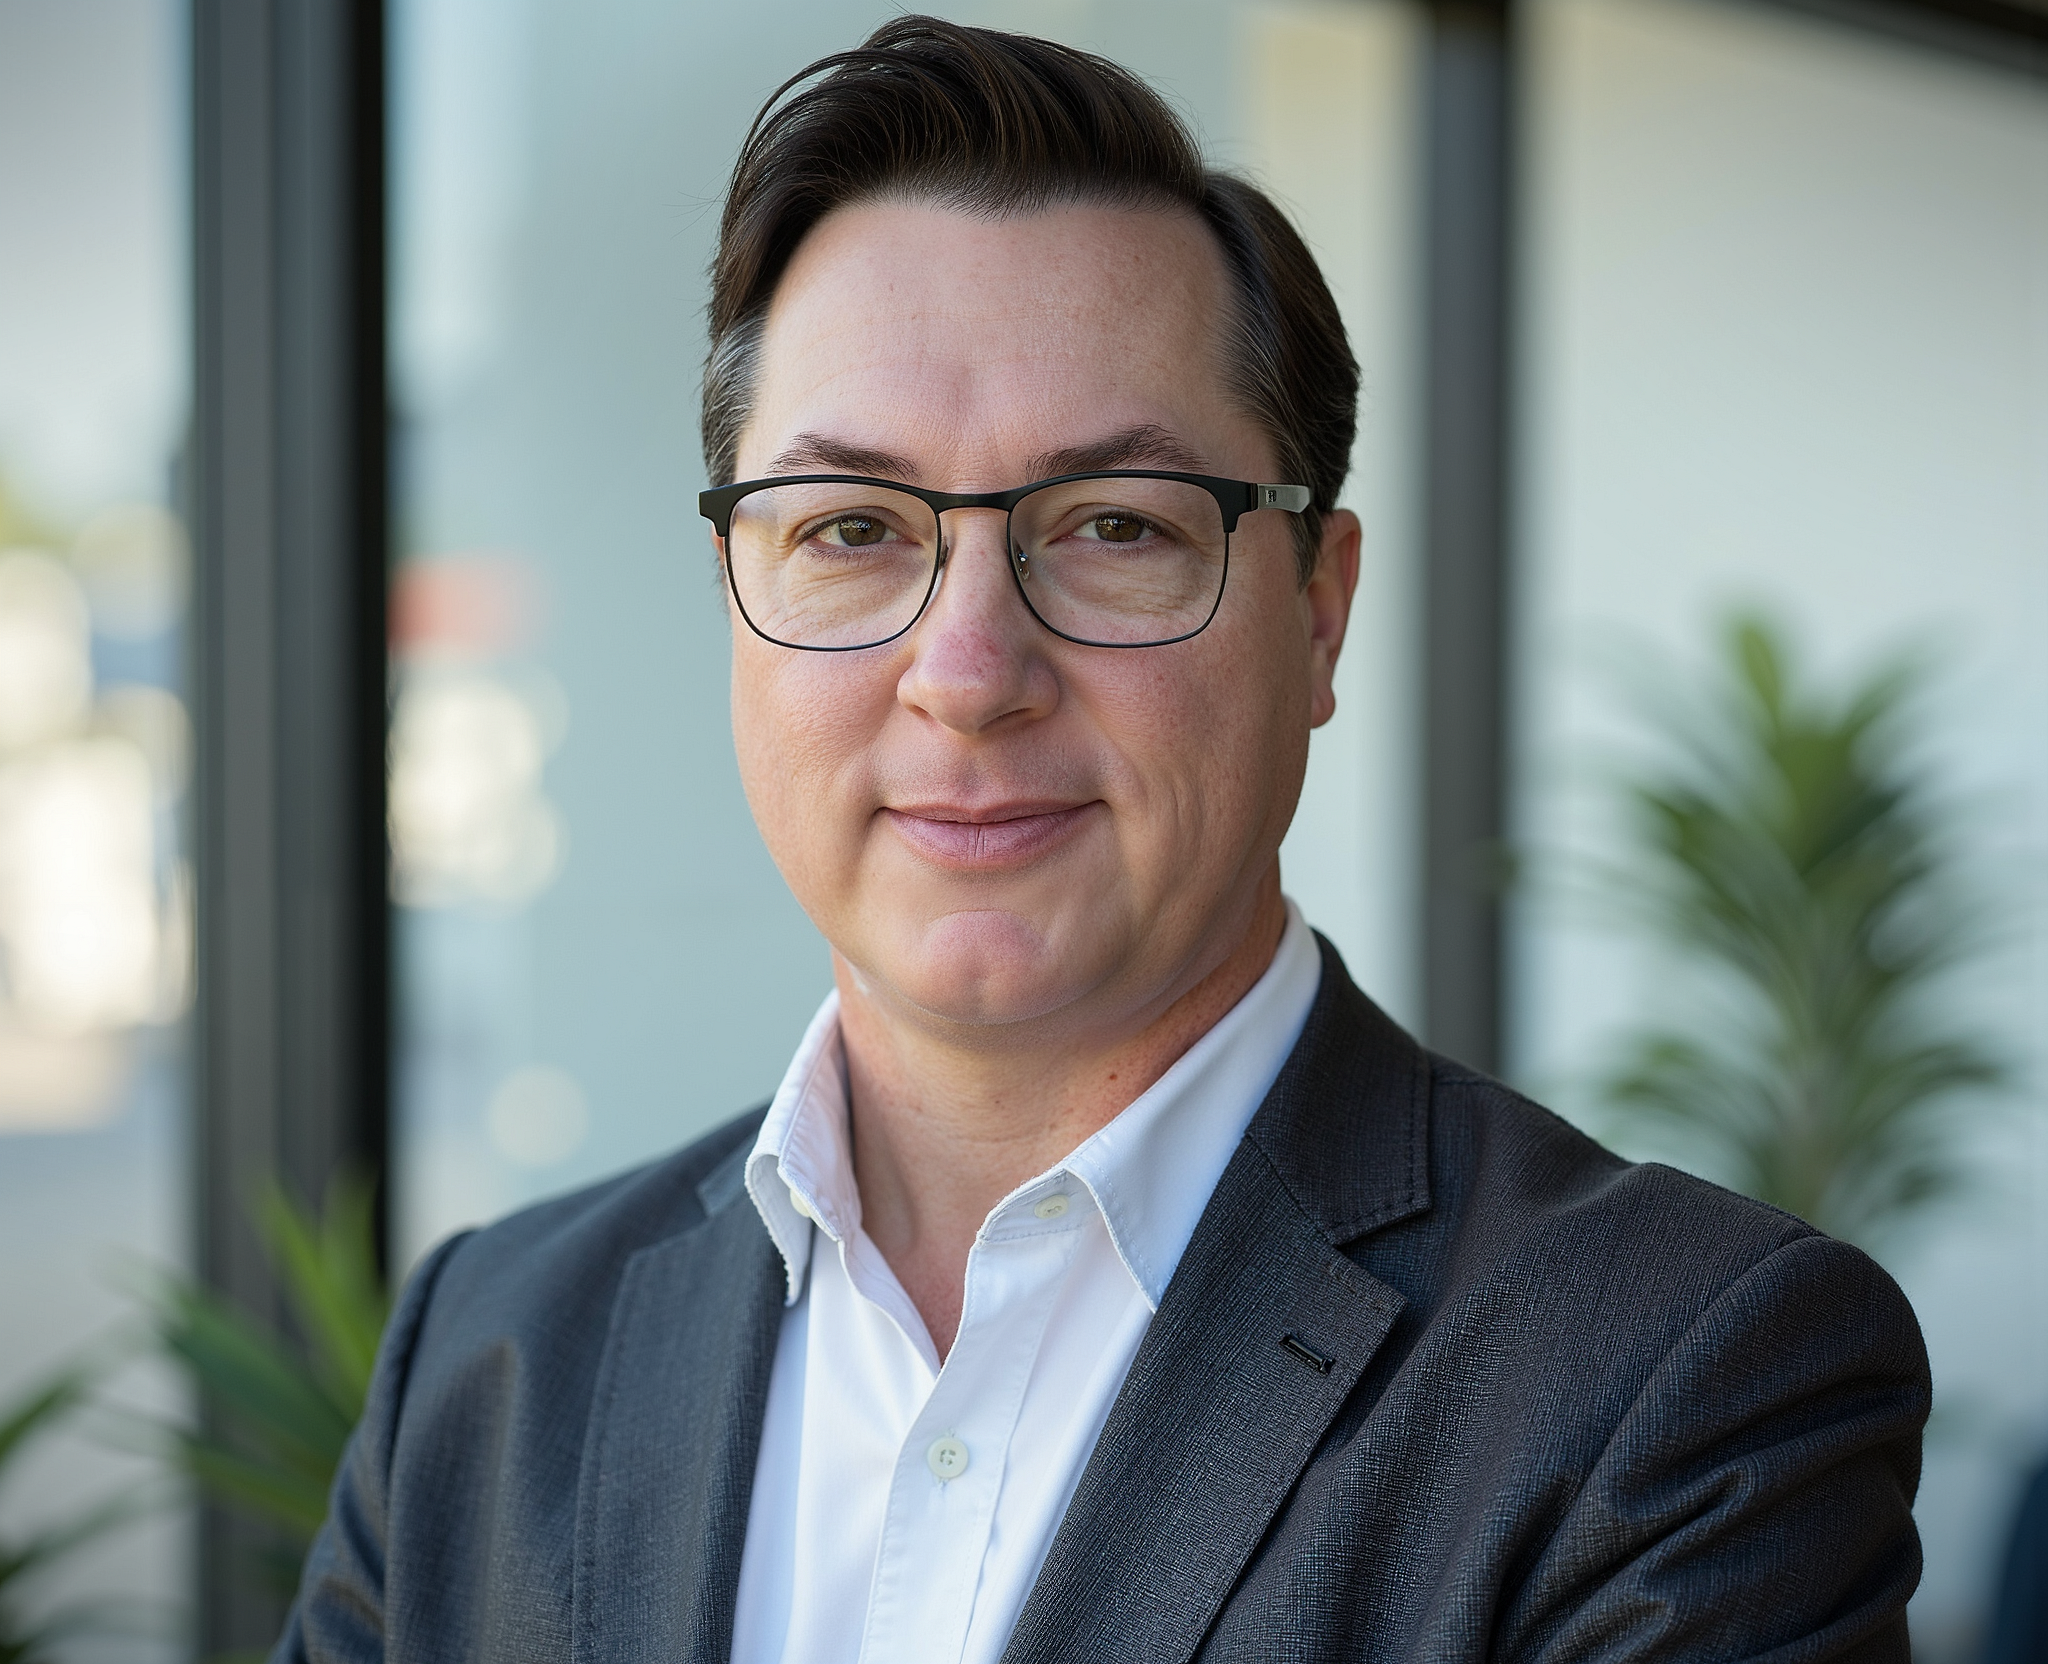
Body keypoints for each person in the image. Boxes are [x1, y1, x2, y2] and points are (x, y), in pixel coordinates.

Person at [277, 18, 1930, 1663]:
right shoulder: (489, 1359)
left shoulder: (1680, 1385)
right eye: (851, 529)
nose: (969, 673)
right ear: (734, 598)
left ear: (1320, 612)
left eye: (1116, 528)